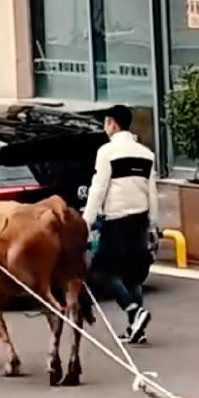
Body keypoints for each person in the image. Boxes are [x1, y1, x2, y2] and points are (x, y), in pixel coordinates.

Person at [82, 104, 158, 343]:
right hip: (141, 221)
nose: (106, 128)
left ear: (112, 124)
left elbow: (98, 189)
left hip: (116, 222)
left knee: (99, 273)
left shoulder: (107, 152)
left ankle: (134, 311)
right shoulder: (146, 154)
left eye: (106, 123)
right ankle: (136, 330)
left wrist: (86, 222)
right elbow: (152, 191)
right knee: (133, 275)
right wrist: (153, 225)